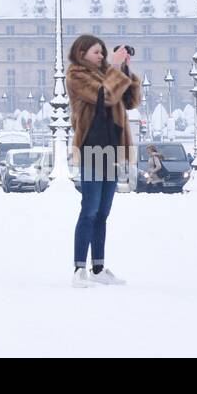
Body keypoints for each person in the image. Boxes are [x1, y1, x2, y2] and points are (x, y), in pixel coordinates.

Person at [65, 35, 140, 287]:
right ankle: (79, 269)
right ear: (82, 52)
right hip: (91, 147)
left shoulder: (108, 72)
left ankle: (98, 267)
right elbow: (104, 96)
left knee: (103, 213)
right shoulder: (76, 75)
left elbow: (130, 101)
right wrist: (116, 68)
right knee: (90, 209)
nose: (101, 56)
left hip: (112, 146)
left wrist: (124, 68)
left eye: (103, 52)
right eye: (97, 52)